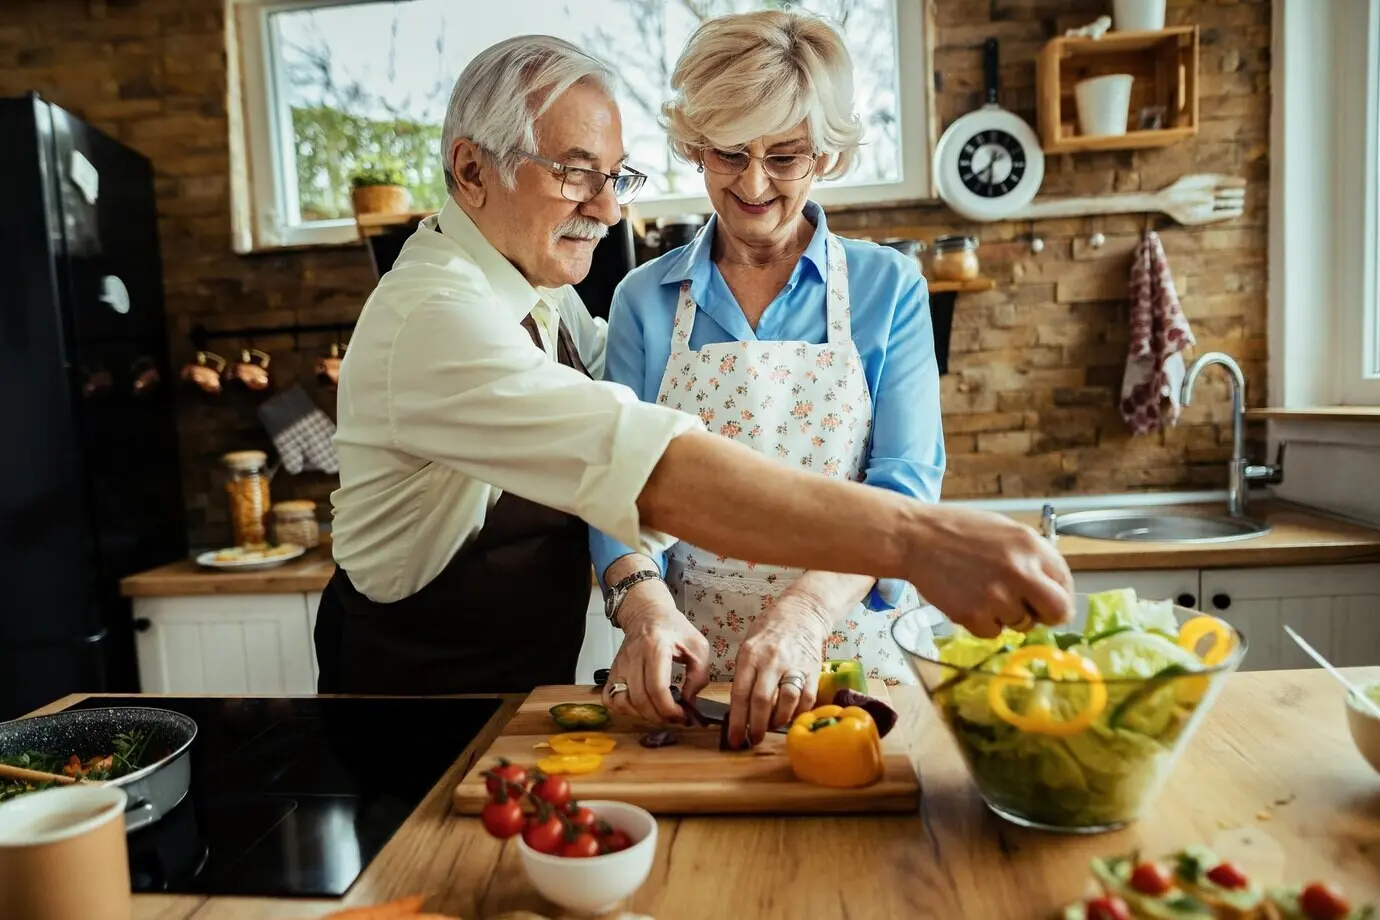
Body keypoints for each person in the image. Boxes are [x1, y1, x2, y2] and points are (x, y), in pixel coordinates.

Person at [313, 34, 1074, 728]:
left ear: (825, 157)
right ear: (471, 170)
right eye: (578, 174)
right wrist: (920, 543)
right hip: (416, 710)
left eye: (612, 177)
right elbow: (646, 468)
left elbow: (636, 434)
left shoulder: (544, 296)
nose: (610, 209)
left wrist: (810, 608)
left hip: (540, 691)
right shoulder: (440, 318)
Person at [589, 9, 948, 745]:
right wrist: (644, 609)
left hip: (848, 661)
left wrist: (805, 616)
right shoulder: (644, 302)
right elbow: (612, 492)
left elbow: (904, 489)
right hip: (690, 672)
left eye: (784, 157)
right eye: (728, 154)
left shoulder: (889, 289)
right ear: (695, 146)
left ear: (826, 156)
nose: (753, 184)